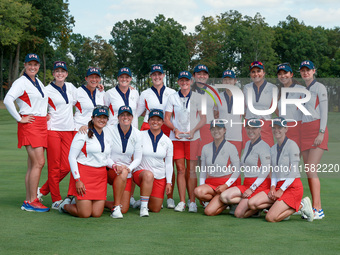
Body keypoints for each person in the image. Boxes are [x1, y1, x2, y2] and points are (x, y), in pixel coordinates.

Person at [4, 53, 49, 212]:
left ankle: (29, 200)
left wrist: (45, 113)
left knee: (32, 165)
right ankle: (31, 201)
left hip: (41, 124)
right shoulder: (21, 82)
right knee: (39, 163)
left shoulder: (37, 82)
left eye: (35, 64)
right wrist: (19, 118)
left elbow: (41, 101)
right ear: (24, 65)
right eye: (30, 64)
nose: (33, 67)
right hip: (30, 125)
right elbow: (8, 99)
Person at [248, 117, 314, 222]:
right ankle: (282, 208)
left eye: (279, 127)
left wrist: (281, 190)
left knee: (270, 218)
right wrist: (273, 187)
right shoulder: (273, 148)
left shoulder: (292, 145)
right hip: (278, 186)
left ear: (286, 129)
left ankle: (302, 205)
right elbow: (274, 171)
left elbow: (294, 171)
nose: (276, 130)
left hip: (292, 187)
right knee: (252, 203)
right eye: (274, 128)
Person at [58, 106, 115, 218]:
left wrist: (114, 165)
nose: (101, 120)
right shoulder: (83, 133)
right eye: (99, 117)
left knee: (96, 214)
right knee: (84, 214)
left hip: (100, 177)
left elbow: (105, 158)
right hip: (84, 175)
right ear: (92, 118)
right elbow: (72, 157)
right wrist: (77, 180)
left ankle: (78, 201)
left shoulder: (108, 134)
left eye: (104, 117)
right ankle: (64, 205)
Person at [164, 71, 206, 212]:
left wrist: (193, 130)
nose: (184, 83)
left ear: (191, 81)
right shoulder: (172, 97)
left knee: (191, 170)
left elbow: (203, 119)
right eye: (181, 80)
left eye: (186, 80)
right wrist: (175, 129)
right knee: (181, 170)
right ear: (178, 82)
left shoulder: (198, 97)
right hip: (176, 138)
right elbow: (167, 119)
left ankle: (192, 201)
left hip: (192, 137)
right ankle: (182, 201)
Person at [136, 64, 176, 208]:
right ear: (151, 76)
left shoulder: (172, 92)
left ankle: (170, 197)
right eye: (154, 75)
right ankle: (142, 196)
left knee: (168, 161)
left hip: (167, 128)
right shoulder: (145, 93)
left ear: (163, 75)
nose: (157, 77)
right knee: (142, 160)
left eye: (159, 74)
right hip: (148, 126)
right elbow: (138, 112)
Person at [38, 61, 77, 209]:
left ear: (66, 74)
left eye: (63, 71)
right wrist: (44, 115)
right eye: (57, 71)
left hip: (69, 129)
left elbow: (84, 96)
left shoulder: (71, 87)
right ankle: (56, 199)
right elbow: (37, 104)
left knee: (67, 166)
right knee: (54, 167)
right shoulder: (46, 89)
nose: (60, 74)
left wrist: (99, 88)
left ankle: (42, 190)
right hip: (53, 130)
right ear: (53, 74)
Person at [220, 118, 271, 218]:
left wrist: (252, 189)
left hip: (259, 185)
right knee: (224, 197)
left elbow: (266, 170)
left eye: (254, 128)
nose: (250, 131)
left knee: (239, 214)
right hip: (247, 183)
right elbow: (245, 163)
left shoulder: (264, 147)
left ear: (260, 129)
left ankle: (264, 205)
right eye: (248, 128)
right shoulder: (248, 143)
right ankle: (254, 205)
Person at [299, 60, 329, 219]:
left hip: (317, 130)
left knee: (311, 169)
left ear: (314, 71)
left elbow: (324, 112)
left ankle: (318, 208)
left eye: (308, 70)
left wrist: (321, 132)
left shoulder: (320, 87)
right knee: (308, 171)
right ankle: (313, 207)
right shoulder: (302, 89)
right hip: (304, 130)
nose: (305, 73)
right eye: (303, 70)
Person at [194, 120, 241, 216]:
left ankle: (227, 201)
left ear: (224, 130)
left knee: (208, 212)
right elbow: (203, 170)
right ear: (210, 131)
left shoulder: (231, 147)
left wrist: (226, 185)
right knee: (198, 191)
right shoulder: (205, 148)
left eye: (219, 128)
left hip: (225, 183)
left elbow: (237, 171)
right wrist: (201, 185)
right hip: (211, 183)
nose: (216, 131)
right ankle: (224, 200)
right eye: (213, 129)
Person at [132, 109, 173, 217]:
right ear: (148, 121)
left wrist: (169, 182)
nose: (155, 122)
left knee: (155, 208)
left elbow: (168, 164)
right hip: (141, 173)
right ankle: (144, 208)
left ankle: (143, 200)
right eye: (152, 119)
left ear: (162, 122)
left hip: (159, 176)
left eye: (158, 120)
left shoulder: (167, 141)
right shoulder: (139, 135)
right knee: (148, 174)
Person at [105, 106, 142, 218]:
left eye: (128, 115)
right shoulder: (109, 130)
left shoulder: (137, 133)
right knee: (123, 173)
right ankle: (116, 207)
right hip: (109, 169)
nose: (125, 118)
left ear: (132, 117)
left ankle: (101, 203)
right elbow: (105, 154)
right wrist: (114, 165)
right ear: (118, 117)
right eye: (122, 115)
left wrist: (128, 168)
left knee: (125, 209)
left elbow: (138, 158)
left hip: (126, 172)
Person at [242, 61, 277, 148]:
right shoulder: (246, 88)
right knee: (250, 156)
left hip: (265, 126)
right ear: (250, 74)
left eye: (258, 71)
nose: (256, 74)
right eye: (253, 72)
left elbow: (276, 108)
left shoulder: (273, 88)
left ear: (263, 73)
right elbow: (243, 110)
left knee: (268, 156)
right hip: (250, 126)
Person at [275, 63, 304, 148]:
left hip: (296, 127)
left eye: (285, 73)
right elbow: (276, 109)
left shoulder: (301, 89)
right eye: (280, 74)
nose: (282, 76)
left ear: (291, 74)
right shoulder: (278, 92)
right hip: (283, 129)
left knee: (294, 158)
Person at [215, 70, 243, 156]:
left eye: (230, 79)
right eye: (225, 79)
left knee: (235, 164)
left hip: (236, 136)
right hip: (221, 137)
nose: (228, 82)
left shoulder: (242, 96)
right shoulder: (218, 96)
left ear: (235, 81)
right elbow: (216, 115)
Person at [192, 64, 217, 155]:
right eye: (199, 74)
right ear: (194, 75)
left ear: (208, 76)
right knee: (194, 160)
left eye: (204, 74)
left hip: (208, 128)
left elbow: (217, 110)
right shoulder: (188, 90)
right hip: (193, 129)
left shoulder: (213, 90)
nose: (202, 76)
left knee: (208, 159)